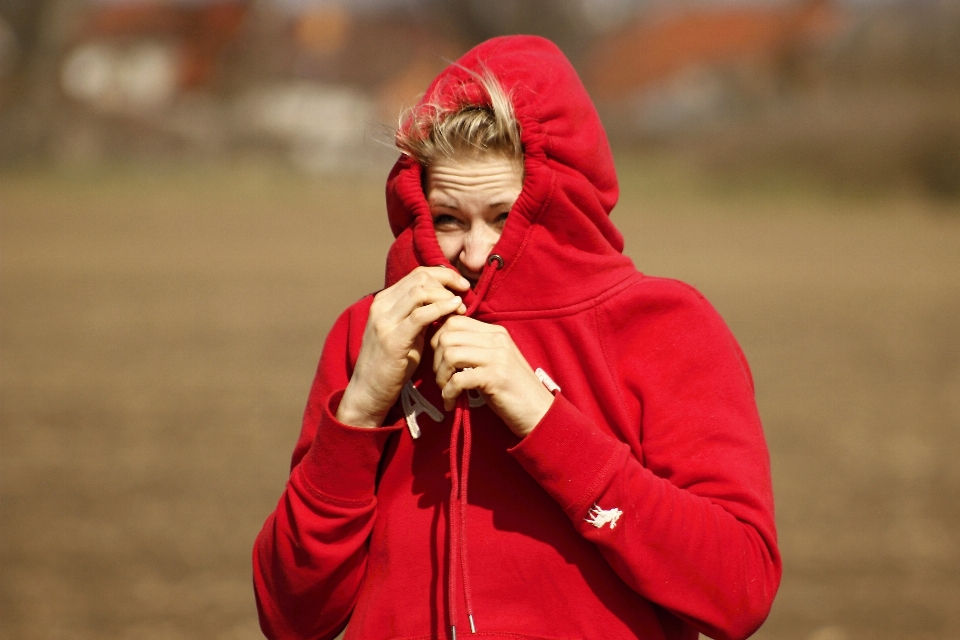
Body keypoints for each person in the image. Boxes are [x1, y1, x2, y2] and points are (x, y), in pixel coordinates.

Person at [253, 35, 780, 640]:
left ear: (561, 204)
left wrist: (542, 418)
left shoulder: (664, 326)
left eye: (505, 217)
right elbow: (289, 617)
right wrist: (361, 407)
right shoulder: (371, 334)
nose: (475, 253)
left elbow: (739, 590)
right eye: (447, 218)